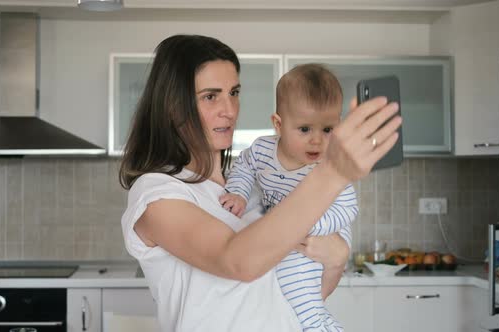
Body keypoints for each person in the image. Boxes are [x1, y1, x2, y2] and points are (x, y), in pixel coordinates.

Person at [120, 34, 401, 332]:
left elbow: (301, 299)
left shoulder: (256, 185)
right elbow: (237, 261)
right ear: (174, 106)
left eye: (234, 92)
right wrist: (334, 171)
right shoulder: (156, 193)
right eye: (211, 96)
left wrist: (336, 260)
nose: (229, 110)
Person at [220, 64, 358, 330]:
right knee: (281, 304)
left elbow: (348, 207)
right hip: (284, 239)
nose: (317, 141)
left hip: (316, 240)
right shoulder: (262, 150)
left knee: (303, 306)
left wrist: (309, 228)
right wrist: (237, 192)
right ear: (278, 124)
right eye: (305, 130)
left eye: (327, 130)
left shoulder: (330, 165)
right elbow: (244, 167)